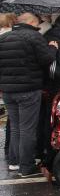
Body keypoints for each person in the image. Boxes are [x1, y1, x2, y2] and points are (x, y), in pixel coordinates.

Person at [0, 12, 58, 177]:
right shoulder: (34, 37)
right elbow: (46, 59)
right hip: (29, 90)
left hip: (8, 91)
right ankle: (26, 167)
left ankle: (14, 162)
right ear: (32, 22)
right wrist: (53, 48)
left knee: (15, 127)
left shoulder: (4, 38)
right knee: (27, 129)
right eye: (37, 23)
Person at [1, 13, 16, 162]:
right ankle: (12, 154)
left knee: (11, 120)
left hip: (5, 84)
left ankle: (8, 150)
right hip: (18, 84)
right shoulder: (13, 37)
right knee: (17, 123)